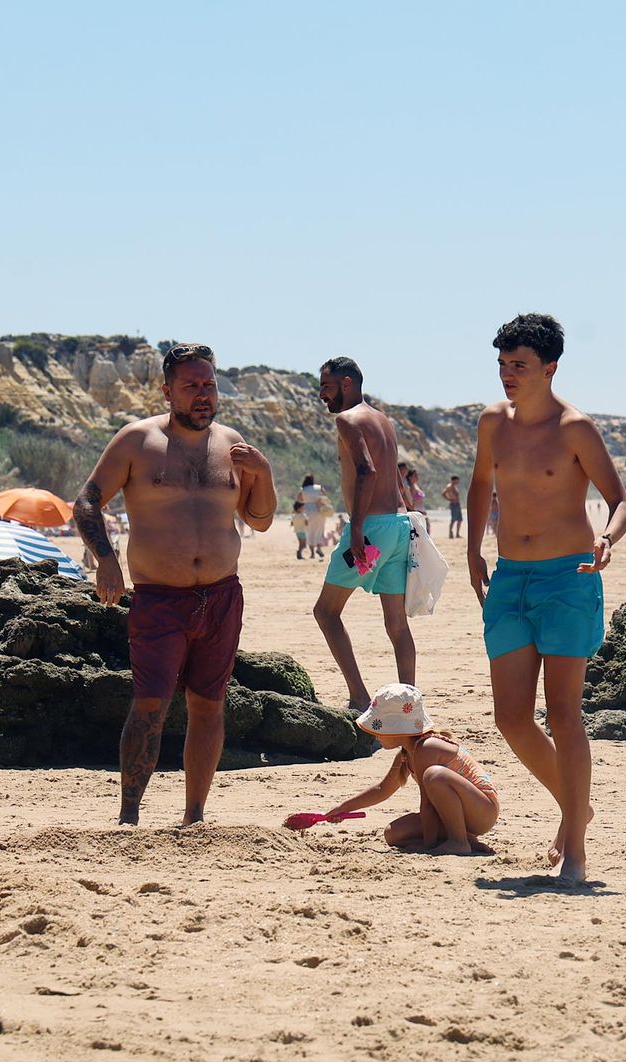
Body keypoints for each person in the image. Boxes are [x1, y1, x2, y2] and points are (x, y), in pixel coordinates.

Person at [73, 343, 276, 827]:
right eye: (191, 386)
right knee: (150, 705)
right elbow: (86, 503)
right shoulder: (137, 441)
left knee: (209, 706)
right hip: (159, 599)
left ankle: (195, 816)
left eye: (209, 385)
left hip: (221, 597)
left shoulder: (233, 444)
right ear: (168, 391)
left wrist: (263, 472)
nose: (203, 395)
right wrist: (105, 561)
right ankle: (128, 816)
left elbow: (260, 519)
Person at [467, 314, 626, 884]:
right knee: (511, 717)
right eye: (503, 365)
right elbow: (479, 487)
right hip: (510, 576)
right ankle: (574, 804)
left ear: (550, 367)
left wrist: (608, 539)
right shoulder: (493, 422)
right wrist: (472, 552)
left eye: (520, 366)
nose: (508, 376)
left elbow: (620, 498)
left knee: (563, 713)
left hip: (569, 574)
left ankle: (577, 850)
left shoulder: (575, 428)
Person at [310, 358, 416, 714]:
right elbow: (393, 477)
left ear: (345, 383)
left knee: (326, 612)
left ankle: (358, 696)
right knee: (397, 624)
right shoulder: (383, 419)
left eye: (325, 387)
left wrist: (356, 529)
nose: (321, 394)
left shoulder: (347, 419)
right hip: (399, 523)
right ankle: (408, 706)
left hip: (370, 527)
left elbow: (367, 472)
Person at [324, 684, 499, 855]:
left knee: (434, 776)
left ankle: (458, 842)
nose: (375, 734)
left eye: (380, 726)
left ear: (398, 727)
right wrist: (343, 807)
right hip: (458, 814)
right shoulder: (406, 754)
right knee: (393, 834)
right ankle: (466, 839)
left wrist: (427, 846)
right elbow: (382, 789)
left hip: (483, 811)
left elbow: (427, 805)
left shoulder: (426, 748)